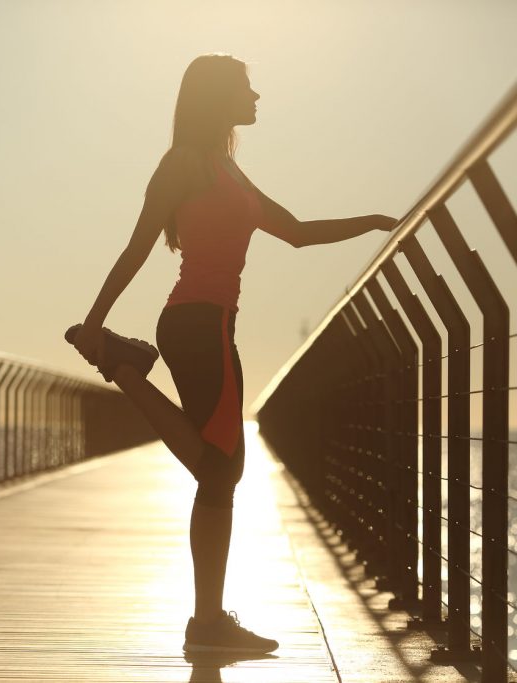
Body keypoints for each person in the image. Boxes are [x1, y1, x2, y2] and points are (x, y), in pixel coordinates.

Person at [65, 53, 397, 654]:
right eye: (247, 87)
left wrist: (371, 222)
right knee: (220, 472)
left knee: (220, 477)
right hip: (196, 322)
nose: (258, 96)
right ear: (218, 96)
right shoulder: (183, 165)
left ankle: (208, 621)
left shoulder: (228, 169)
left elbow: (295, 231)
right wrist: (95, 323)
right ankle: (124, 369)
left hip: (213, 324)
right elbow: (138, 245)